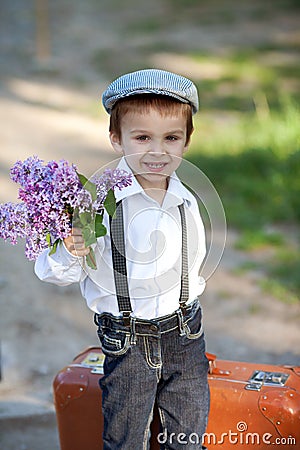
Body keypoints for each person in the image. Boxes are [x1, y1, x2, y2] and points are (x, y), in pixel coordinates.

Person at [35, 68, 209, 449]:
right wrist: (70, 247)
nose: (157, 151)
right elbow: (54, 271)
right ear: (116, 139)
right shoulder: (97, 204)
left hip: (185, 334)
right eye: (142, 137)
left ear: (186, 142)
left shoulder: (186, 199)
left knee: (188, 435)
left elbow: (193, 263)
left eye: (171, 138)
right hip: (128, 339)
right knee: (126, 437)